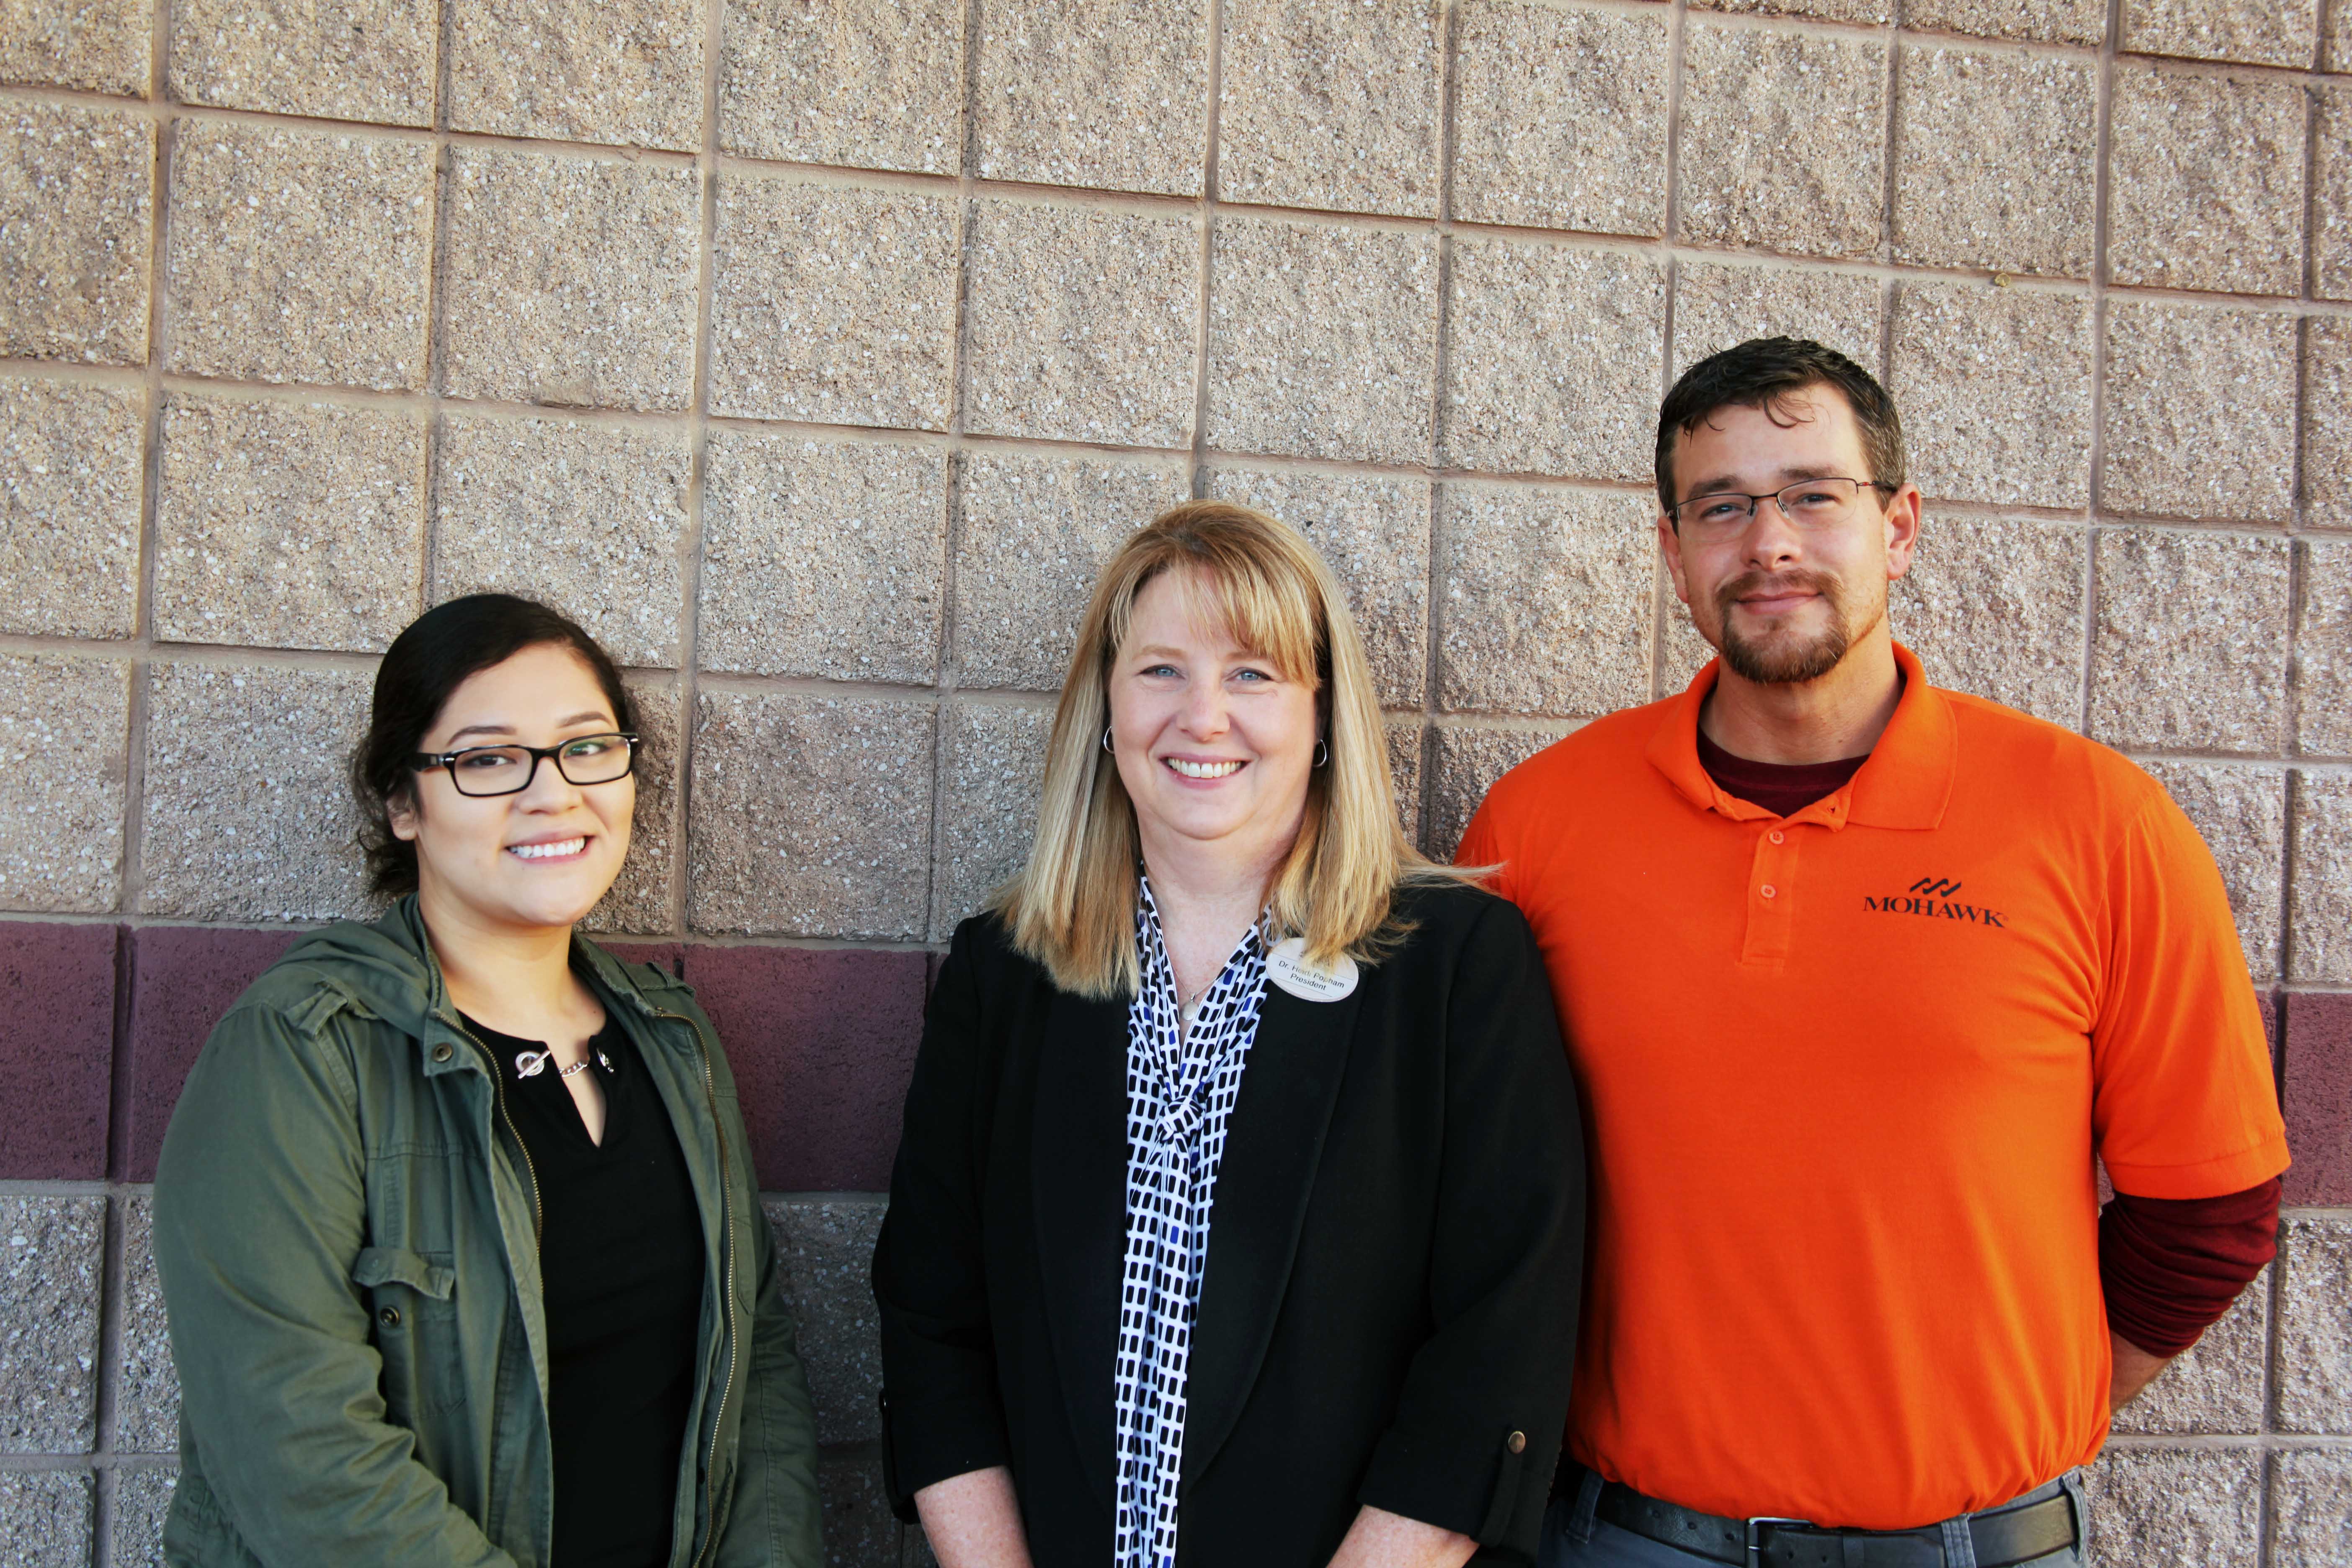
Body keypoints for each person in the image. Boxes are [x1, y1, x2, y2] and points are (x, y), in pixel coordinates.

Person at [1458, 337, 2288, 1568]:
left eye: (1812, 495)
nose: (1770, 542)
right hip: (1628, 1542)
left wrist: (2014, 1407)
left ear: (1898, 527)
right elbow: (1459, 1196)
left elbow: (2213, 1207)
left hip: (1982, 1547)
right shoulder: (1539, 825)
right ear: (1673, 551)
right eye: (1723, 505)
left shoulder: (2096, 821)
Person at [872, 502, 1586, 1568]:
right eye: (1161, 671)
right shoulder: (1005, 971)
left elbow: (1500, 1349)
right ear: (1105, 712)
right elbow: (932, 1324)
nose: (1203, 716)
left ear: (1323, 717)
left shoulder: (1456, 968)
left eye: (1254, 674)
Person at [153, 593, 823, 1568]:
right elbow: (299, 1447)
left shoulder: (674, 1042)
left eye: (586, 747)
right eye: (487, 758)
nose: (552, 794)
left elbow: (752, 1373)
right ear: (401, 801)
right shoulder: (302, 1050)